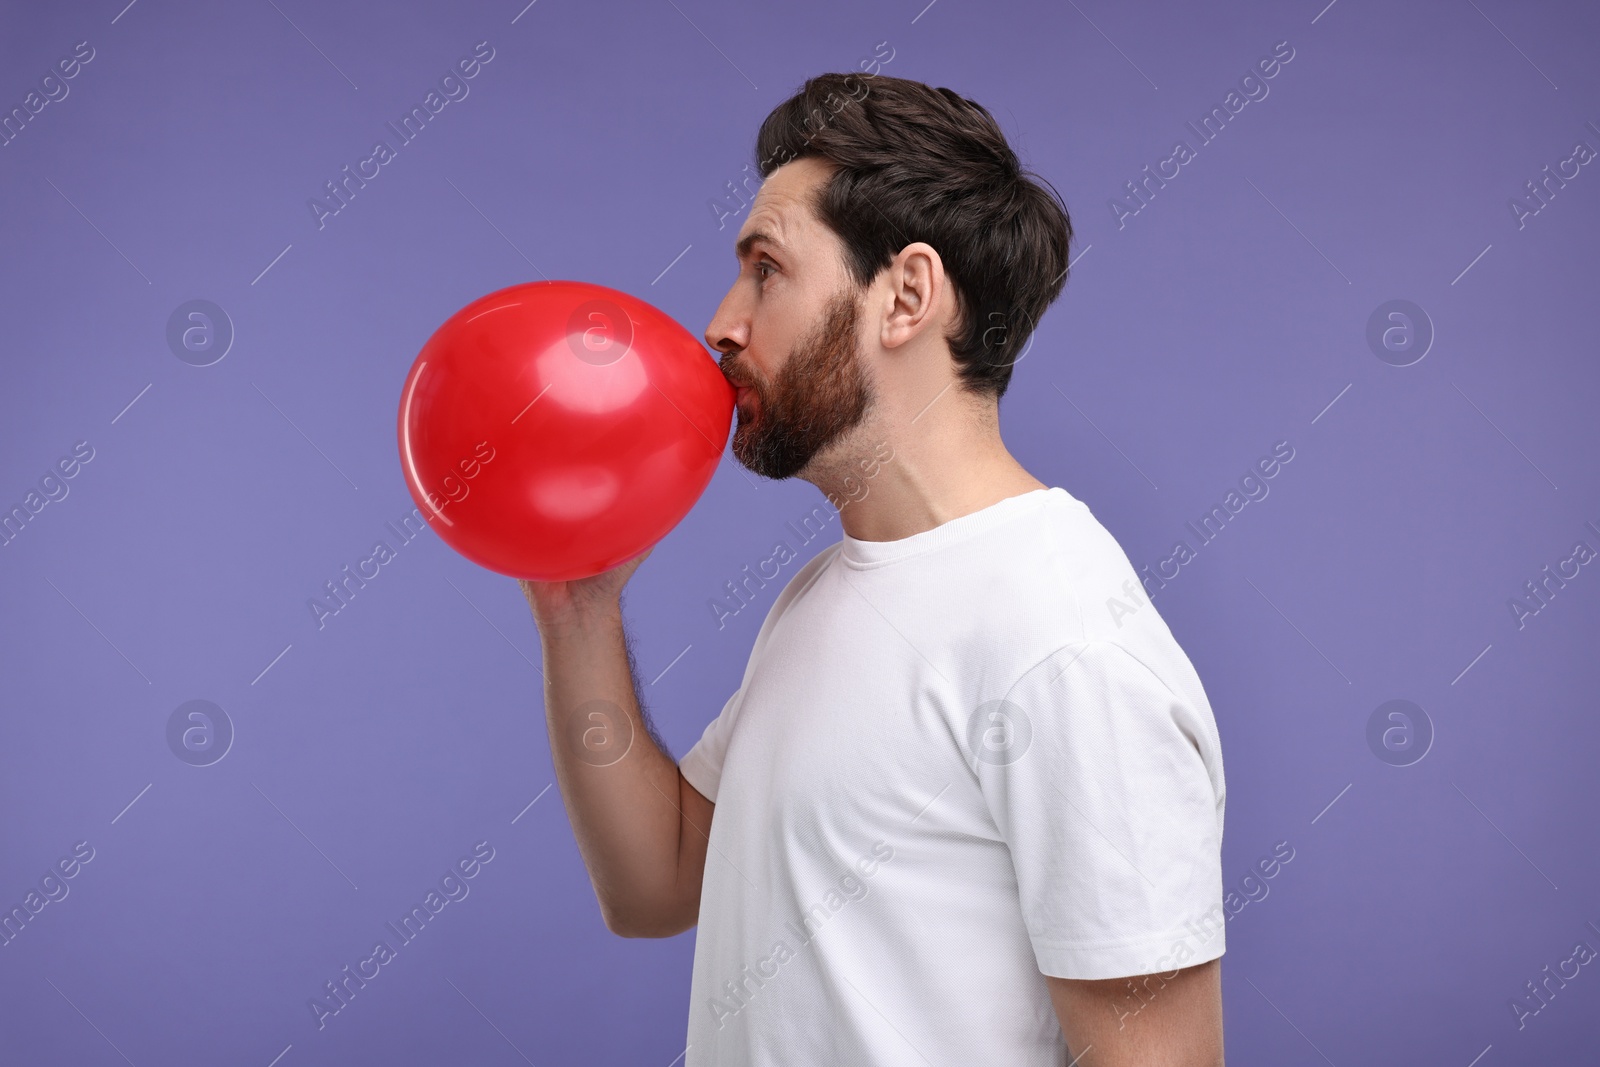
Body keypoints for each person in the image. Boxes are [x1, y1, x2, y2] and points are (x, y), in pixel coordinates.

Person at [521, 71, 1227, 1067]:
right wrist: (578, 608)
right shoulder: (823, 593)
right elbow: (659, 881)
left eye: (765, 269)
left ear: (906, 295)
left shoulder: (1063, 641)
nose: (720, 323)